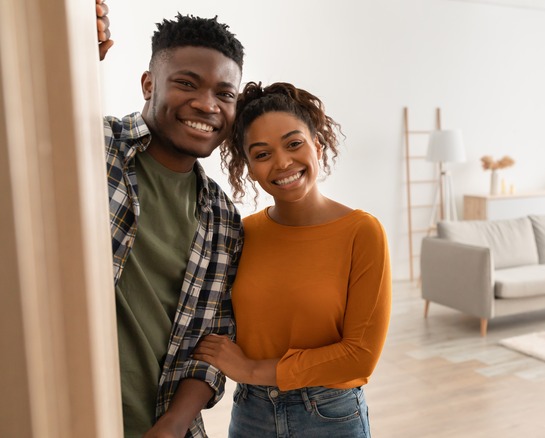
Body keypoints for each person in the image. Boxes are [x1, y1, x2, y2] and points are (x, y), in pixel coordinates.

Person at [193, 82, 392, 437]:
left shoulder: (362, 232)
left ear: (317, 145)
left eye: (293, 143)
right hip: (251, 413)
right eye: (262, 153)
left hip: (330, 414)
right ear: (249, 167)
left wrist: (252, 370)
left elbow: (360, 355)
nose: (282, 162)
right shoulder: (243, 233)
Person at [98, 4, 245, 437]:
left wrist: (172, 425)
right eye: (186, 84)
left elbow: (211, 343)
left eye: (225, 93)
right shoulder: (93, 145)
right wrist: (70, 48)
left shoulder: (222, 220)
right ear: (149, 84)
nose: (207, 104)